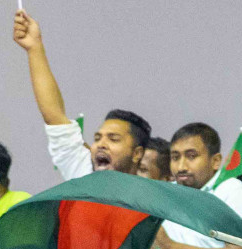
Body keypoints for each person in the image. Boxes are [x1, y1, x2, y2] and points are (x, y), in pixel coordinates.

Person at [12, 10, 150, 180]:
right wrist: (34, 48)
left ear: (137, 153)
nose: (101, 145)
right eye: (98, 138)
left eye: (113, 139)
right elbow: (54, 115)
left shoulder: (152, 198)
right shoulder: (83, 171)